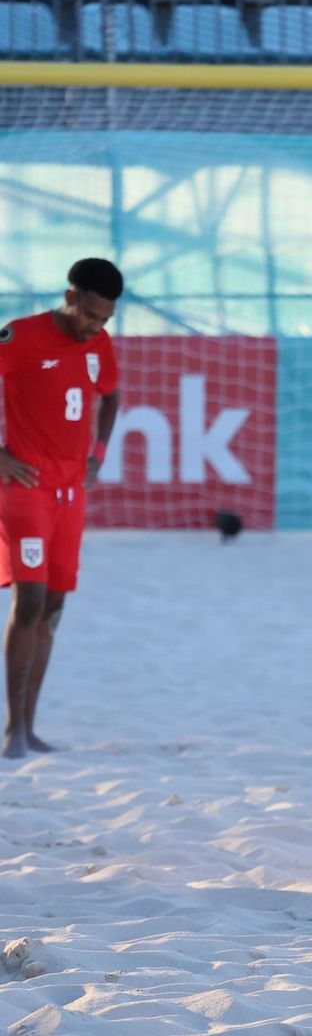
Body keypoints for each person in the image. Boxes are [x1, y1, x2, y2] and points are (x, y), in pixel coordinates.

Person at [0, 258, 123, 760]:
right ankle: (12, 729)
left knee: (53, 608)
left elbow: (110, 398)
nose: (95, 327)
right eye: (90, 314)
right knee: (28, 603)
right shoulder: (19, 336)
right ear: (69, 296)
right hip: (24, 488)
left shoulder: (99, 345)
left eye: (105, 319)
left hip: (71, 495)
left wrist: (96, 455)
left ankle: (29, 726)